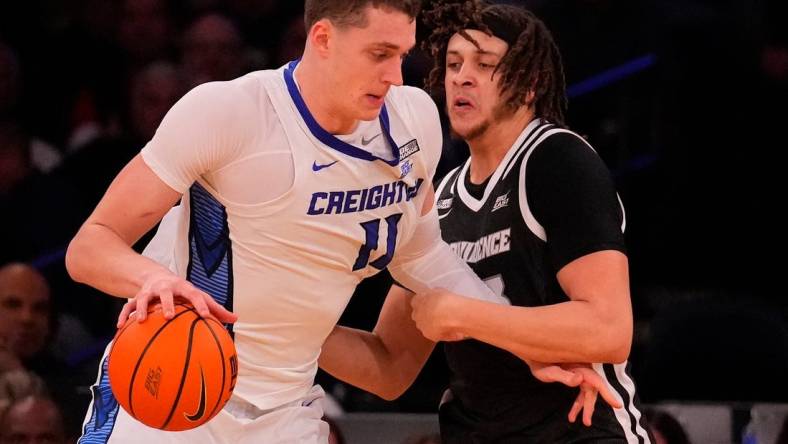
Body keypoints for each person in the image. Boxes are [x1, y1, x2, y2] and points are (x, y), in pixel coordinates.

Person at [64, 1, 576, 442]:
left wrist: (525, 347)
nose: (396, 76)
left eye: (403, 55)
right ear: (324, 38)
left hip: (289, 408)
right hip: (170, 382)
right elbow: (90, 246)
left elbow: (423, 256)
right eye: (379, 55)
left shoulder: (414, 117)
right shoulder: (229, 113)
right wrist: (153, 277)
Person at [319, 1, 652, 442]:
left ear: (530, 83)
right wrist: (285, 321)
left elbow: (609, 329)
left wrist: (463, 314)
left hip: (577, 432)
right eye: (454, 64)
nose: (462, 76)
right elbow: (389, 367)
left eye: (486, 64)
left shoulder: (557, 160)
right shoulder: (439, 197)